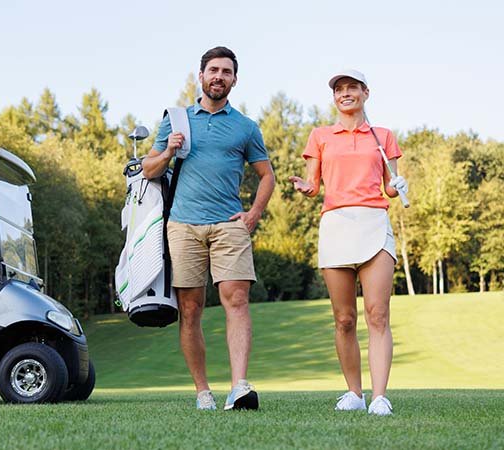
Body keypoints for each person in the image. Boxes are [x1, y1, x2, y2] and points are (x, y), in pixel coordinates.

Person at [142, 46, 275, 411]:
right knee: (190, 308)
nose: (219, 76)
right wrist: (168, 151)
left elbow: (267, 176)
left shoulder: (246, 127)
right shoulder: (177, 118)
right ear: (200, 76)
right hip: (183, 226)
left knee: (237, 300)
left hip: (229, 225)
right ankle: (203, 392)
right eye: (213, 70)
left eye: (226, 71)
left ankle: (239, 387)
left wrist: (253, 214)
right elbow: (148, 169)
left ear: (234, 79)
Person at [288, 69, 408, 416]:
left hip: (373, 221)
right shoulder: (320, 136)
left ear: (365, 93)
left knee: (378, 313)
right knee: (343, 319)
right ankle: (354, 393)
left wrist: (398, 187)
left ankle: (380, 396)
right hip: (336, 224)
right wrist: (304, 187)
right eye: (339, 89)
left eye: (351, 87)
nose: (345, 93)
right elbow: (314, 185)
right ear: (334, 97)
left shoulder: (382, 136)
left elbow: (388, 185)